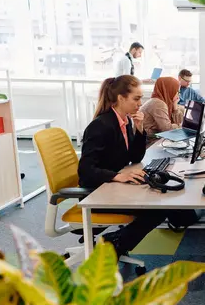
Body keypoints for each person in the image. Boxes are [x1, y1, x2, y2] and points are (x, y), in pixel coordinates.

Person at [78, 75, 191, 259]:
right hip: (97, 191)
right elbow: (85, 171)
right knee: (158, 208)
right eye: (136, 99)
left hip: (113, 185)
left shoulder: (125, 121)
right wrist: (117, 176)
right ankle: (116, 243)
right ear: (121, 98)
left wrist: (139, 129)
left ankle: (118, 241)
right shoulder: (101, 126)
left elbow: (135, 157)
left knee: (163, 198)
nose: (140, 103)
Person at [140, 76, 185, 145]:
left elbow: (177, 123)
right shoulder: (158, 103)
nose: (179, 96)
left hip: (154, 138)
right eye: (177, 92)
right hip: (148, 143)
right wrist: (179, 126)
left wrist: (175, 108)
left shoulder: (163, 101)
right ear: (169, 90)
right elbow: (168, 129)